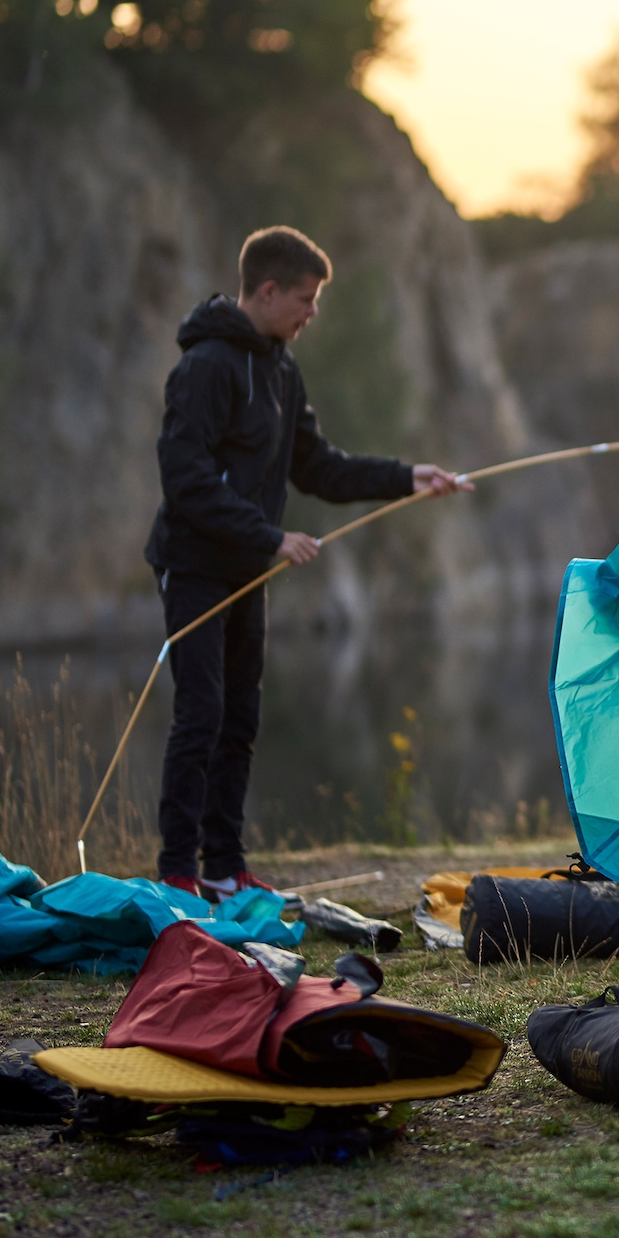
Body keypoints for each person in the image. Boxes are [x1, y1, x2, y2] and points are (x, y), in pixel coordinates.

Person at [142, 226, 470, 901]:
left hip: (247, 569)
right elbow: (186, 478)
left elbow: (320, 467)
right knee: (200, 714)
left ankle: (226, 866)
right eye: (305, 298)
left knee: (240, 718)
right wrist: (267, 535)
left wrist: (408, 477)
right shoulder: (204, 366)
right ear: (266, 291)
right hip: (197, 564)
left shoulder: (281, 369)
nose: (312, 313)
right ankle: (179, 869)